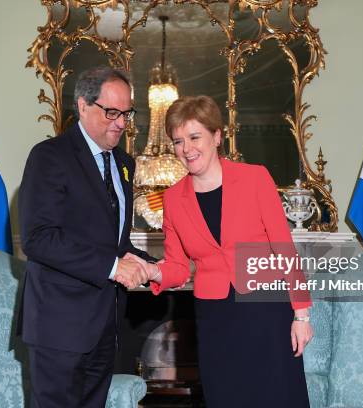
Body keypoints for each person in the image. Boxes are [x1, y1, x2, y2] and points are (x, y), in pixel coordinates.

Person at [126, 95, 313, 407]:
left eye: (195, 137)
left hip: (265, 310)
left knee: (277, 397)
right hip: (216, 318)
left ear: (216, 136)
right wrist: (151, 271)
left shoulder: (255, 178)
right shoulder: (172, 199)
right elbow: (177, 266)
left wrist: (301, 315)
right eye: (178, 141)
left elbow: (284, 249)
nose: (187, 149)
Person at [18, 66, 156, 408]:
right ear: (82, 105)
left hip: (105, 328)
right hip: (58, 328)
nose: (121, 123)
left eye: (126, 113)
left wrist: (159, 266)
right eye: (111, 112)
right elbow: (38, 238)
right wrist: (112, 267)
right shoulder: (49, 156)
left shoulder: (124, 162)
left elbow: (117, 246)